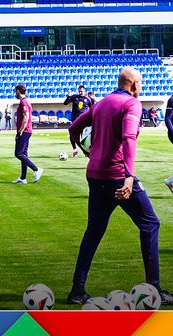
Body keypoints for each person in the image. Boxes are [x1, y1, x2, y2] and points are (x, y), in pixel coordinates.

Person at [67, 68, 173, 305]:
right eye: (141, 84)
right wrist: (129, 177)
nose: (141, 88)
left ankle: (77, 290)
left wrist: (88, 153)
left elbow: (73, 129)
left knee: (93, 231)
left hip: (95, 175)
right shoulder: (132, 104)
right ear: (134, 84)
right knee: (150, 223)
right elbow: (129, 138)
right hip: (117, 176)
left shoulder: (101, 103)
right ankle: (152, 290)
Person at [12, 85, 43, 184]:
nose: (15, 94)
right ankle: (23, 178)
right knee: (24, 154)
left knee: (18, 153)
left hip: (24, 131)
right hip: (27, 131)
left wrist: (20, 131)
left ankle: (36, 169)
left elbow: (26, 118)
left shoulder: (24, 102)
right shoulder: (25, 102)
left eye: (15, 92)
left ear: (18, 91)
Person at [64, 85, 93, 157]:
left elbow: (91, 108)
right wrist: (68, 96)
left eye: (82, 91)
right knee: (72, 135)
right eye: (79, 91)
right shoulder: (74, 97)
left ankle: (86, 151)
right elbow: (65, 103)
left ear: (84, 91)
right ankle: (74, 150)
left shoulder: (88, 99)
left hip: (84, 121)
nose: (80, 92)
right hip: (75, 120)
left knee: (84, 136)